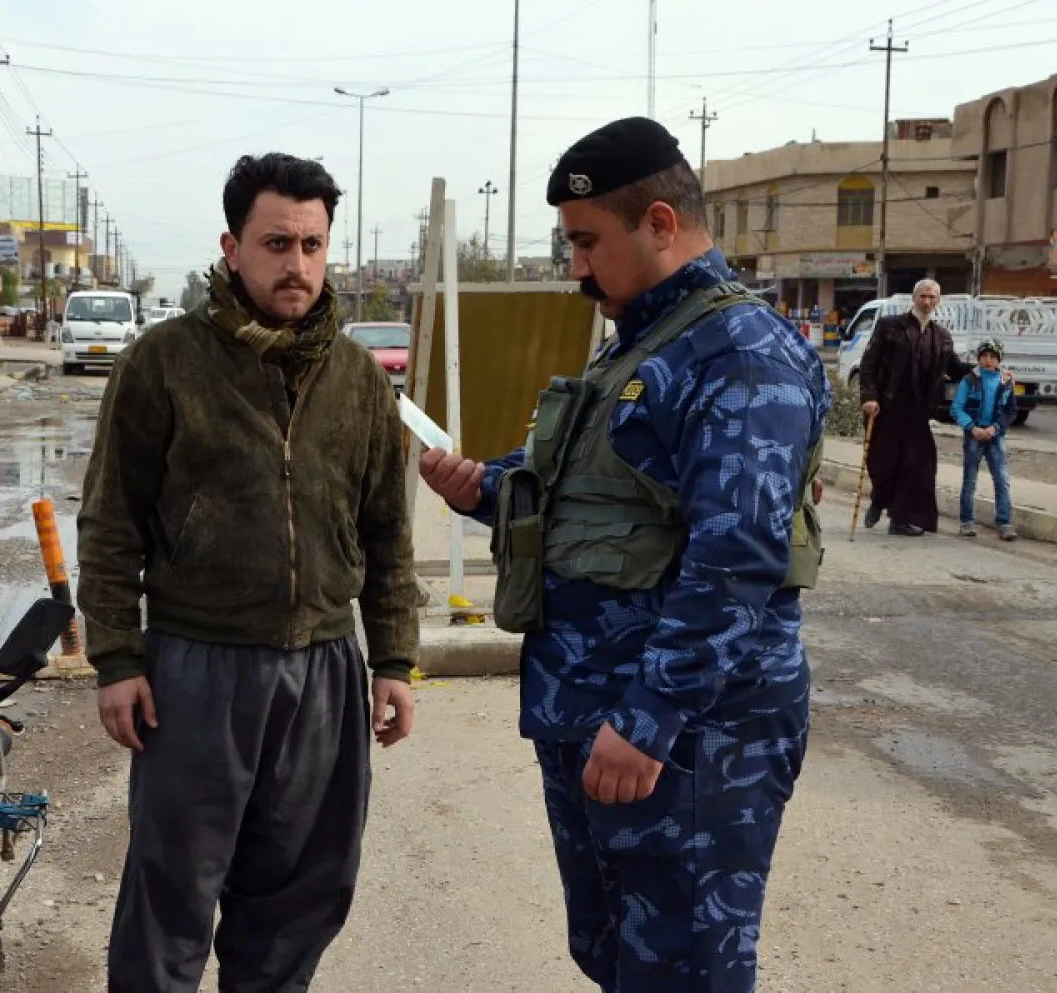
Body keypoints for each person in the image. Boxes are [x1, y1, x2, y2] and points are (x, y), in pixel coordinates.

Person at [419, 116, 830, 992]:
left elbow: (737, 557)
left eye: (585, 242)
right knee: (618, 957)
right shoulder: (640, 344)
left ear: (659, 224)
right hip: (595, 712)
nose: (575, 266)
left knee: (684, 968)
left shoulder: (741, 354)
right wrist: (486, 489)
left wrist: (648, 718)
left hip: (685, 736)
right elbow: (593, 497)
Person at [75, 151, 420, 993]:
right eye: (276, 242)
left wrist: (397, 660)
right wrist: (118, 658)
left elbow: (386, 529)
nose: (296, 264)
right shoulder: (163, 363)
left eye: (312, 243)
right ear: (232, 248)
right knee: (174, 888)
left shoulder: (357, 381)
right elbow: (111, 518)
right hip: (200, 665)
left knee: (304, 888)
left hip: (326, 670)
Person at [858, 278, 972, 536]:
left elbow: (953, 368)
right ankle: (879, 500)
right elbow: (868, 364)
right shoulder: (890, 326)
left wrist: (981, 370)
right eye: (923, 296)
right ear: (914, 298)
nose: (927, 302)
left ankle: (901, 520)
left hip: (918, 413)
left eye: (932, 297)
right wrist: (869, 397)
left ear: (938, 302)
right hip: (886, 408)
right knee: (884, 463)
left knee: (919, 466)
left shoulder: (940, 335)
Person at [951, 338, 1018, 540]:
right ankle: (967, 522)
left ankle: (1004, 522)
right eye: (984, 356)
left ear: (998, 360)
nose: (988, 360)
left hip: (995, 436)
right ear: (978, 358)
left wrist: (995, 428)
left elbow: (1010, 411)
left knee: (1002, 479)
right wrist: (972, 428)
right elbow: (957, 408)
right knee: (970, 480)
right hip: (974, 435)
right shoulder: (970, 380)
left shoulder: (1005, 381)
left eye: (992, 357)